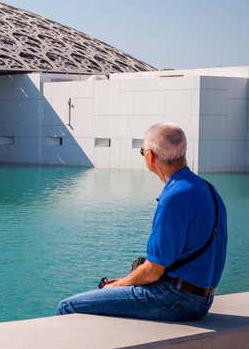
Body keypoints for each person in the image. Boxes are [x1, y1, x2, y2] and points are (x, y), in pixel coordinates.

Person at [57, 123, 227, 321]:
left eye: (142, 151)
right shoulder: (207, 189)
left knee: (68, 306)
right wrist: (126, 281)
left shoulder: (174, 197)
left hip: (176, 299)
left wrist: (116, 286)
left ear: (151, 156)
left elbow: (153, 271)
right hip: (201, 299)